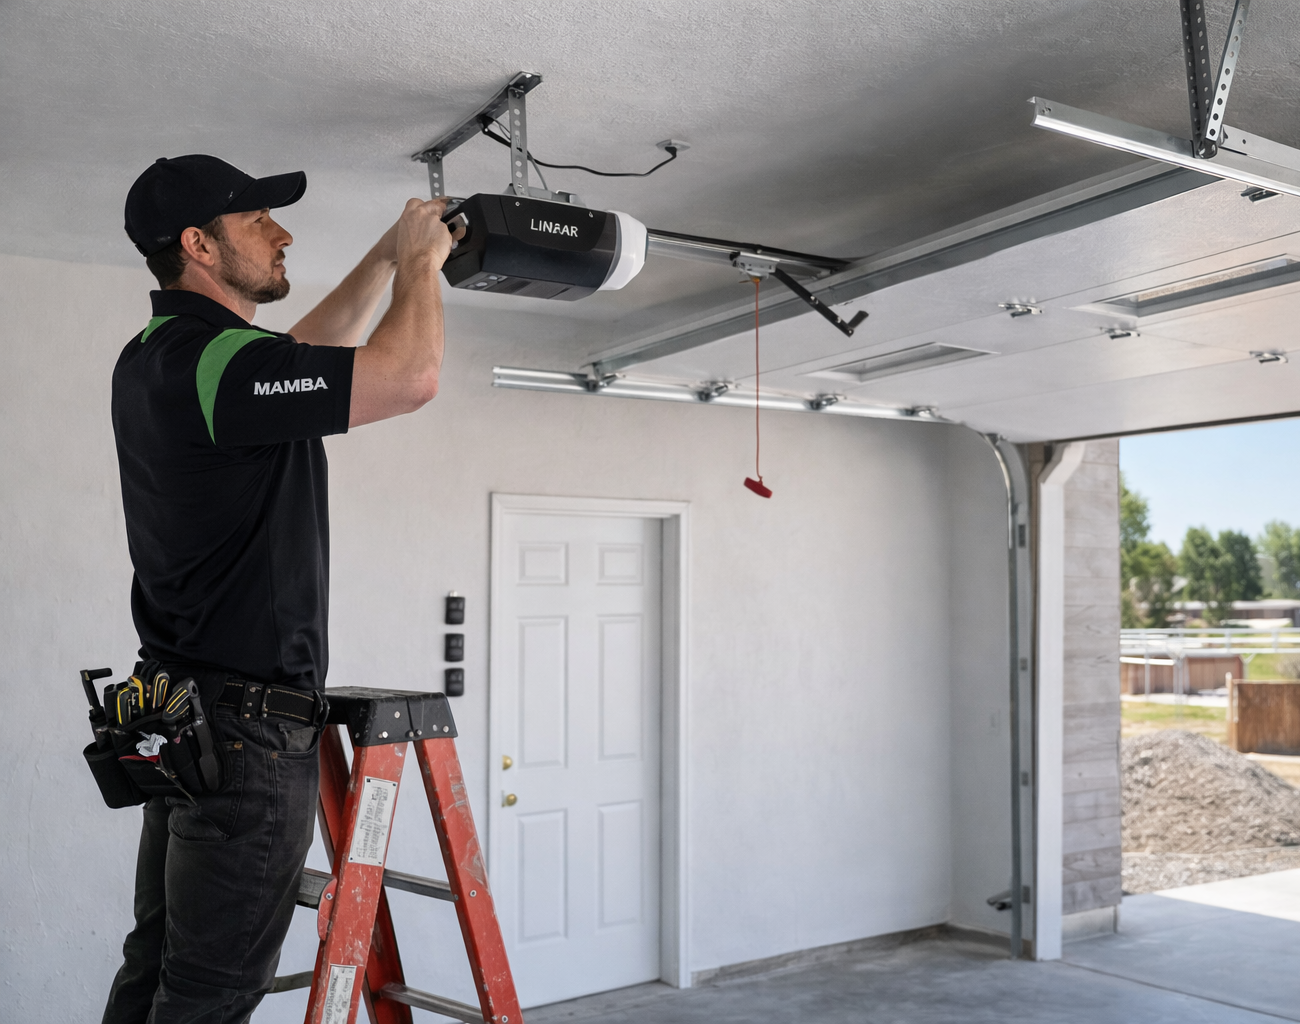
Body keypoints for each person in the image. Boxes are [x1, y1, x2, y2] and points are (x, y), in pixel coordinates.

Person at [102, 154, 458, 1023]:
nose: (282, 231)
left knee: (159, 970)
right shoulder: (219, 365)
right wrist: (420, 266)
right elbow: (408, 376)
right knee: (212, 996)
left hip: (185, 713)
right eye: (258, 220)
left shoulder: (161, 356)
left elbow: (303, 358)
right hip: (246, 737)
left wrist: (382, 255)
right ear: (200, 245)